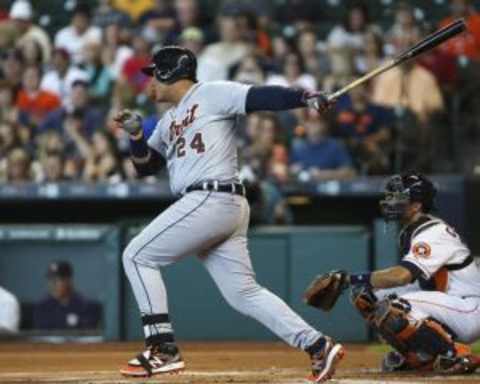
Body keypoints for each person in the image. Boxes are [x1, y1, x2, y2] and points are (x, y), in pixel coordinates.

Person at [114, 45, 344, 381]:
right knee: (244, 294)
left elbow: (263, 96)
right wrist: (136, 137)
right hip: (220, 205)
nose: (149, 83)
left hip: (211, 197)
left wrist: (305, 96)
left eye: (153, 75)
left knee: (136, 255)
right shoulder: (168, 120)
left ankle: (162, 347)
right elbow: (146, 168)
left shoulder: (210, 93)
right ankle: (317, 345)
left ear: (169, 73)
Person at [305, 172, 480, 375]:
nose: (390, 202)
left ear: (416, 205)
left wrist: (349, 279)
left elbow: (401, 276)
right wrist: (357, 283)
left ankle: (455, 354)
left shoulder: (433, 232)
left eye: (398, 198)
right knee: (366, 295)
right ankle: (419, 356)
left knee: (396, 307)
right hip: (449, 302)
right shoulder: (412, 231)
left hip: (469, 309)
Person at [33, 261, 101, 330]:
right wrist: (70, 321)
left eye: (57, 280)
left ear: (69, 280)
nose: (53, 285)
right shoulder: (43, 306)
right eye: (50, 280)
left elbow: (88, 327)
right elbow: (42, 329)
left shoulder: (85, 305)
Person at [290, 114, 356, 182]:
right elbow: (291, 171)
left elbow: (349, 172)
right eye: (310, 122)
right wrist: (293, 171)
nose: (313, 126)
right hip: (304, 189)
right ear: (304, 124)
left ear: (324, 124)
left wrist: (324, 174)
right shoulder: (298, 148)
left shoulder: (335, 146)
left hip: (329, 188)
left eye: (317, 122)